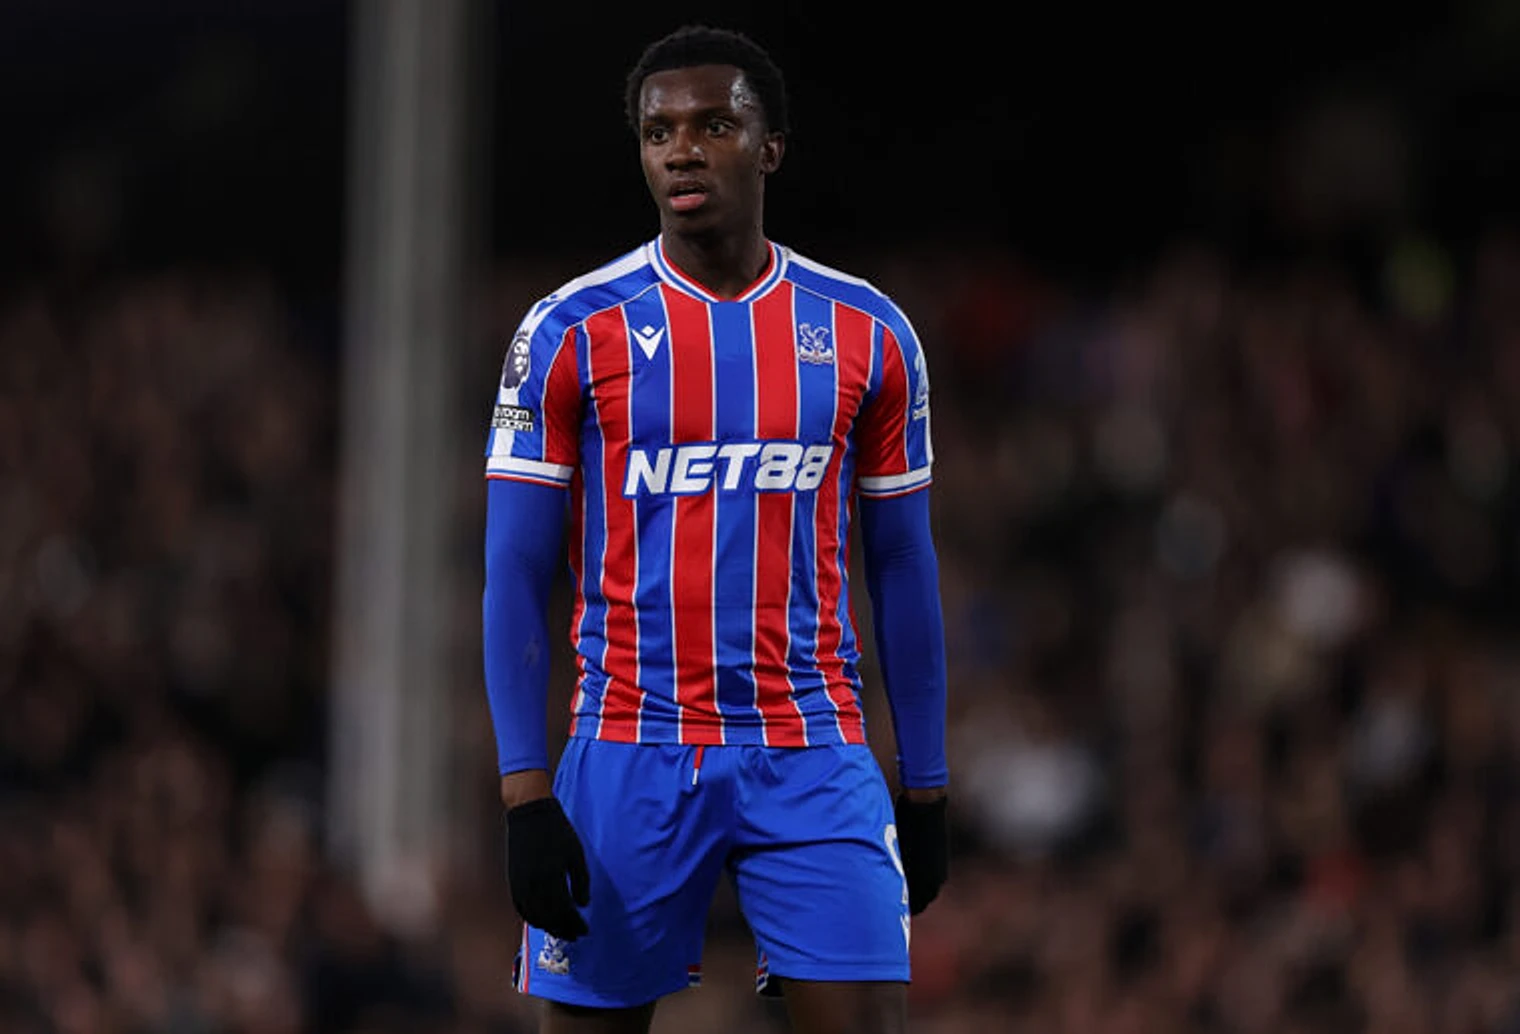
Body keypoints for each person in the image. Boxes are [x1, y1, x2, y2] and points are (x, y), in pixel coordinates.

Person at [481, 24, 949, 1034]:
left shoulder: (868, 332)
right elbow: (513, 570)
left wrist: (927, 782)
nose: (682, 151)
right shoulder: (569, 330)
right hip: (628, 748)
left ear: (769, 147)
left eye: (712, 127)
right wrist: (524, 793)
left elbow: (903, 562)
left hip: (812, 746)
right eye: (659, 134)